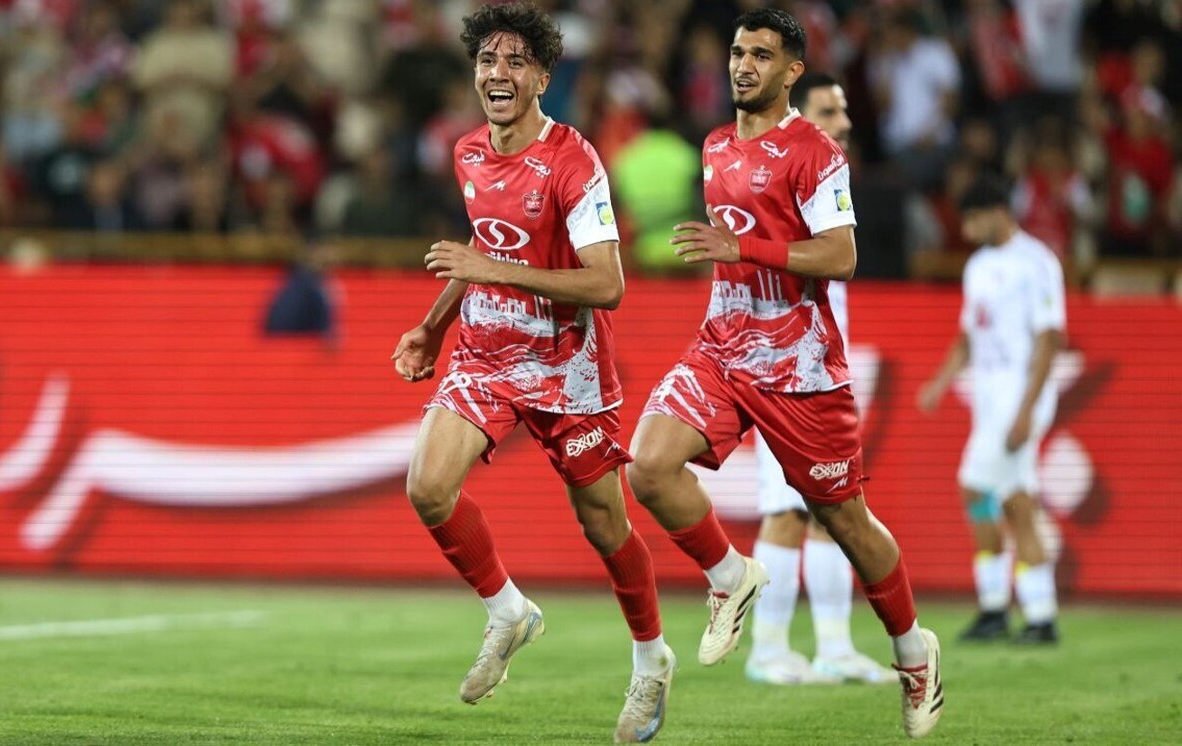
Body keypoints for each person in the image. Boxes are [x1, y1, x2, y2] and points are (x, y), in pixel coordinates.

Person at [625, 9, 943, 739]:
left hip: (798, 365)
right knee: (647, 466)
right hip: (722, 345)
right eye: (738, 52)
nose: (744, 65)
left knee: (844, 519)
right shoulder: (714, 144)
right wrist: (731, 259)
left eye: (762, 55)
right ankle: (731, 576)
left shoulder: (815, 153)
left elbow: (841, 256)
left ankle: (912, 650)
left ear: (792, 70)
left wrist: (745, 249)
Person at [391, 4, 674, 742]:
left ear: (544, 77)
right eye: (488, 60)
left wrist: (493, 269)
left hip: (564, 364)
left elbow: (607, 283)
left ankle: (651, 658)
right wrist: (433, 325)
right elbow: (485, 250)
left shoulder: (574, 162)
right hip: (486, 353)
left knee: (603, 523)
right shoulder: (468, 153)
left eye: (516, 62)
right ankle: (508, 610)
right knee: (427, 486)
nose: (499, 73)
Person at [744, 72, 898, 687]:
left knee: (831, 508)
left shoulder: (825, 186)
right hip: (777, 369)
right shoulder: (777, 184)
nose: (845, 122)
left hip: (819, 373)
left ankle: (834, 646)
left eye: (844, 110)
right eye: (830, 111)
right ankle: (767, 649)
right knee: (786, 510)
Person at [917, 173, 1065, 645]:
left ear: (998, 213)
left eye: (973, 219)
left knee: (975, 487)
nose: (966, 229)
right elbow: (969, 334)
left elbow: (1050, 339)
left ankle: (997, 605)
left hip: (1020, 397)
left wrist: (1027, 410)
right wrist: (940, 383)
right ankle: (1036, 613)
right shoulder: (978, 266)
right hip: (990, 398)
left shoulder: (1036, 262)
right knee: (1016, 500)